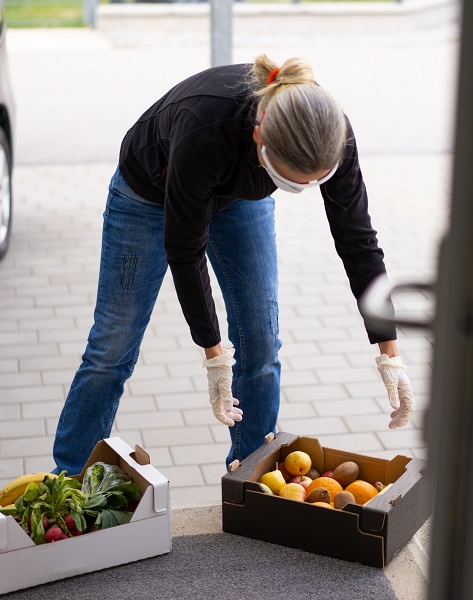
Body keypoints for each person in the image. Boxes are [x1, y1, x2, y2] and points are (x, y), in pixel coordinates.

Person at [52, 55, 415, 476]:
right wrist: (213, 354)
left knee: (261, 336)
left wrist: (389, 353)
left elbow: (358, 241)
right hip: (148, 195)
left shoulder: (330, 133)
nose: (305, 190)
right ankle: (70, 478)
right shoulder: (205, 127)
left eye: (314, 181)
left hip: (240, 197)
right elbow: (185, 250)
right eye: (291, 181)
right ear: (260, 136)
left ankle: (250, 478)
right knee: (113, 346)